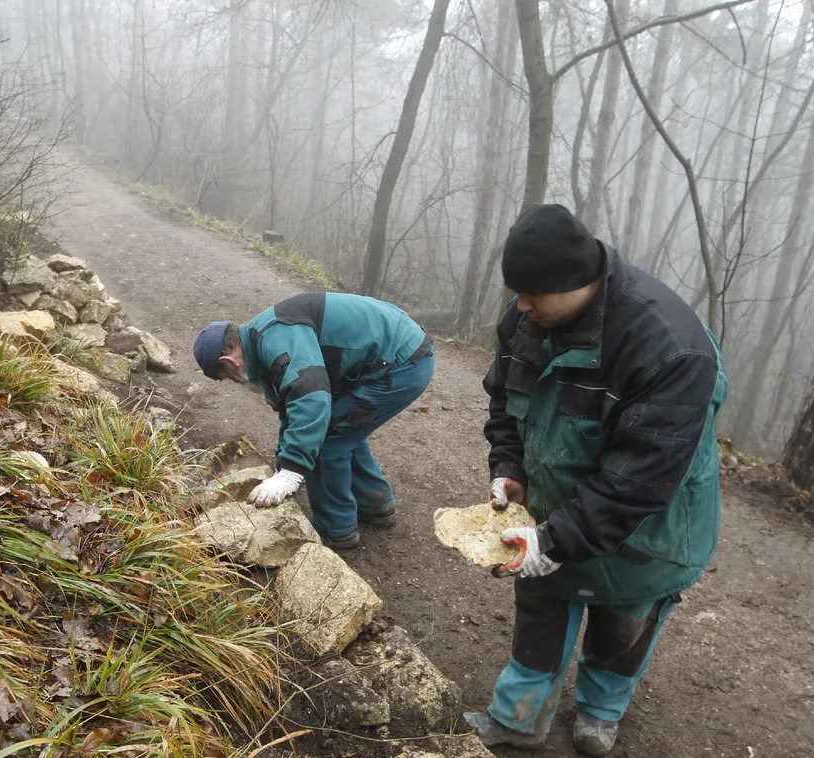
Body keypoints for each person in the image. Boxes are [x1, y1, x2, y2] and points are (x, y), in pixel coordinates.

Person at [462, 204, 727, 756]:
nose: (521, 304)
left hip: (651, 524)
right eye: (517, 291)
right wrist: (508, 470)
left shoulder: (668, 347)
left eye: (534, 293)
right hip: (561, 499)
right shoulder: (527, 318)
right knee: (542, 602)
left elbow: (638, 478)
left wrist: (555, 540)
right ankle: (519, 719)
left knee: (625, 615)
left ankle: (600, 713)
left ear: (580, 282)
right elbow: (505, 404)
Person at [191, 292, 435, 550]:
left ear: (227, 361)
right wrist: (283, 463)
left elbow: (311, 398)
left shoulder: (276, 338)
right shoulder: (261, 339)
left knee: (327, 439)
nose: (234, 381)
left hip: (403, 363)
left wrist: (291, 470)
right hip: (397, 350)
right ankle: (375, 506)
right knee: (345, 428)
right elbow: (291, 407)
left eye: (227, 376)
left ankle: (338, 531)